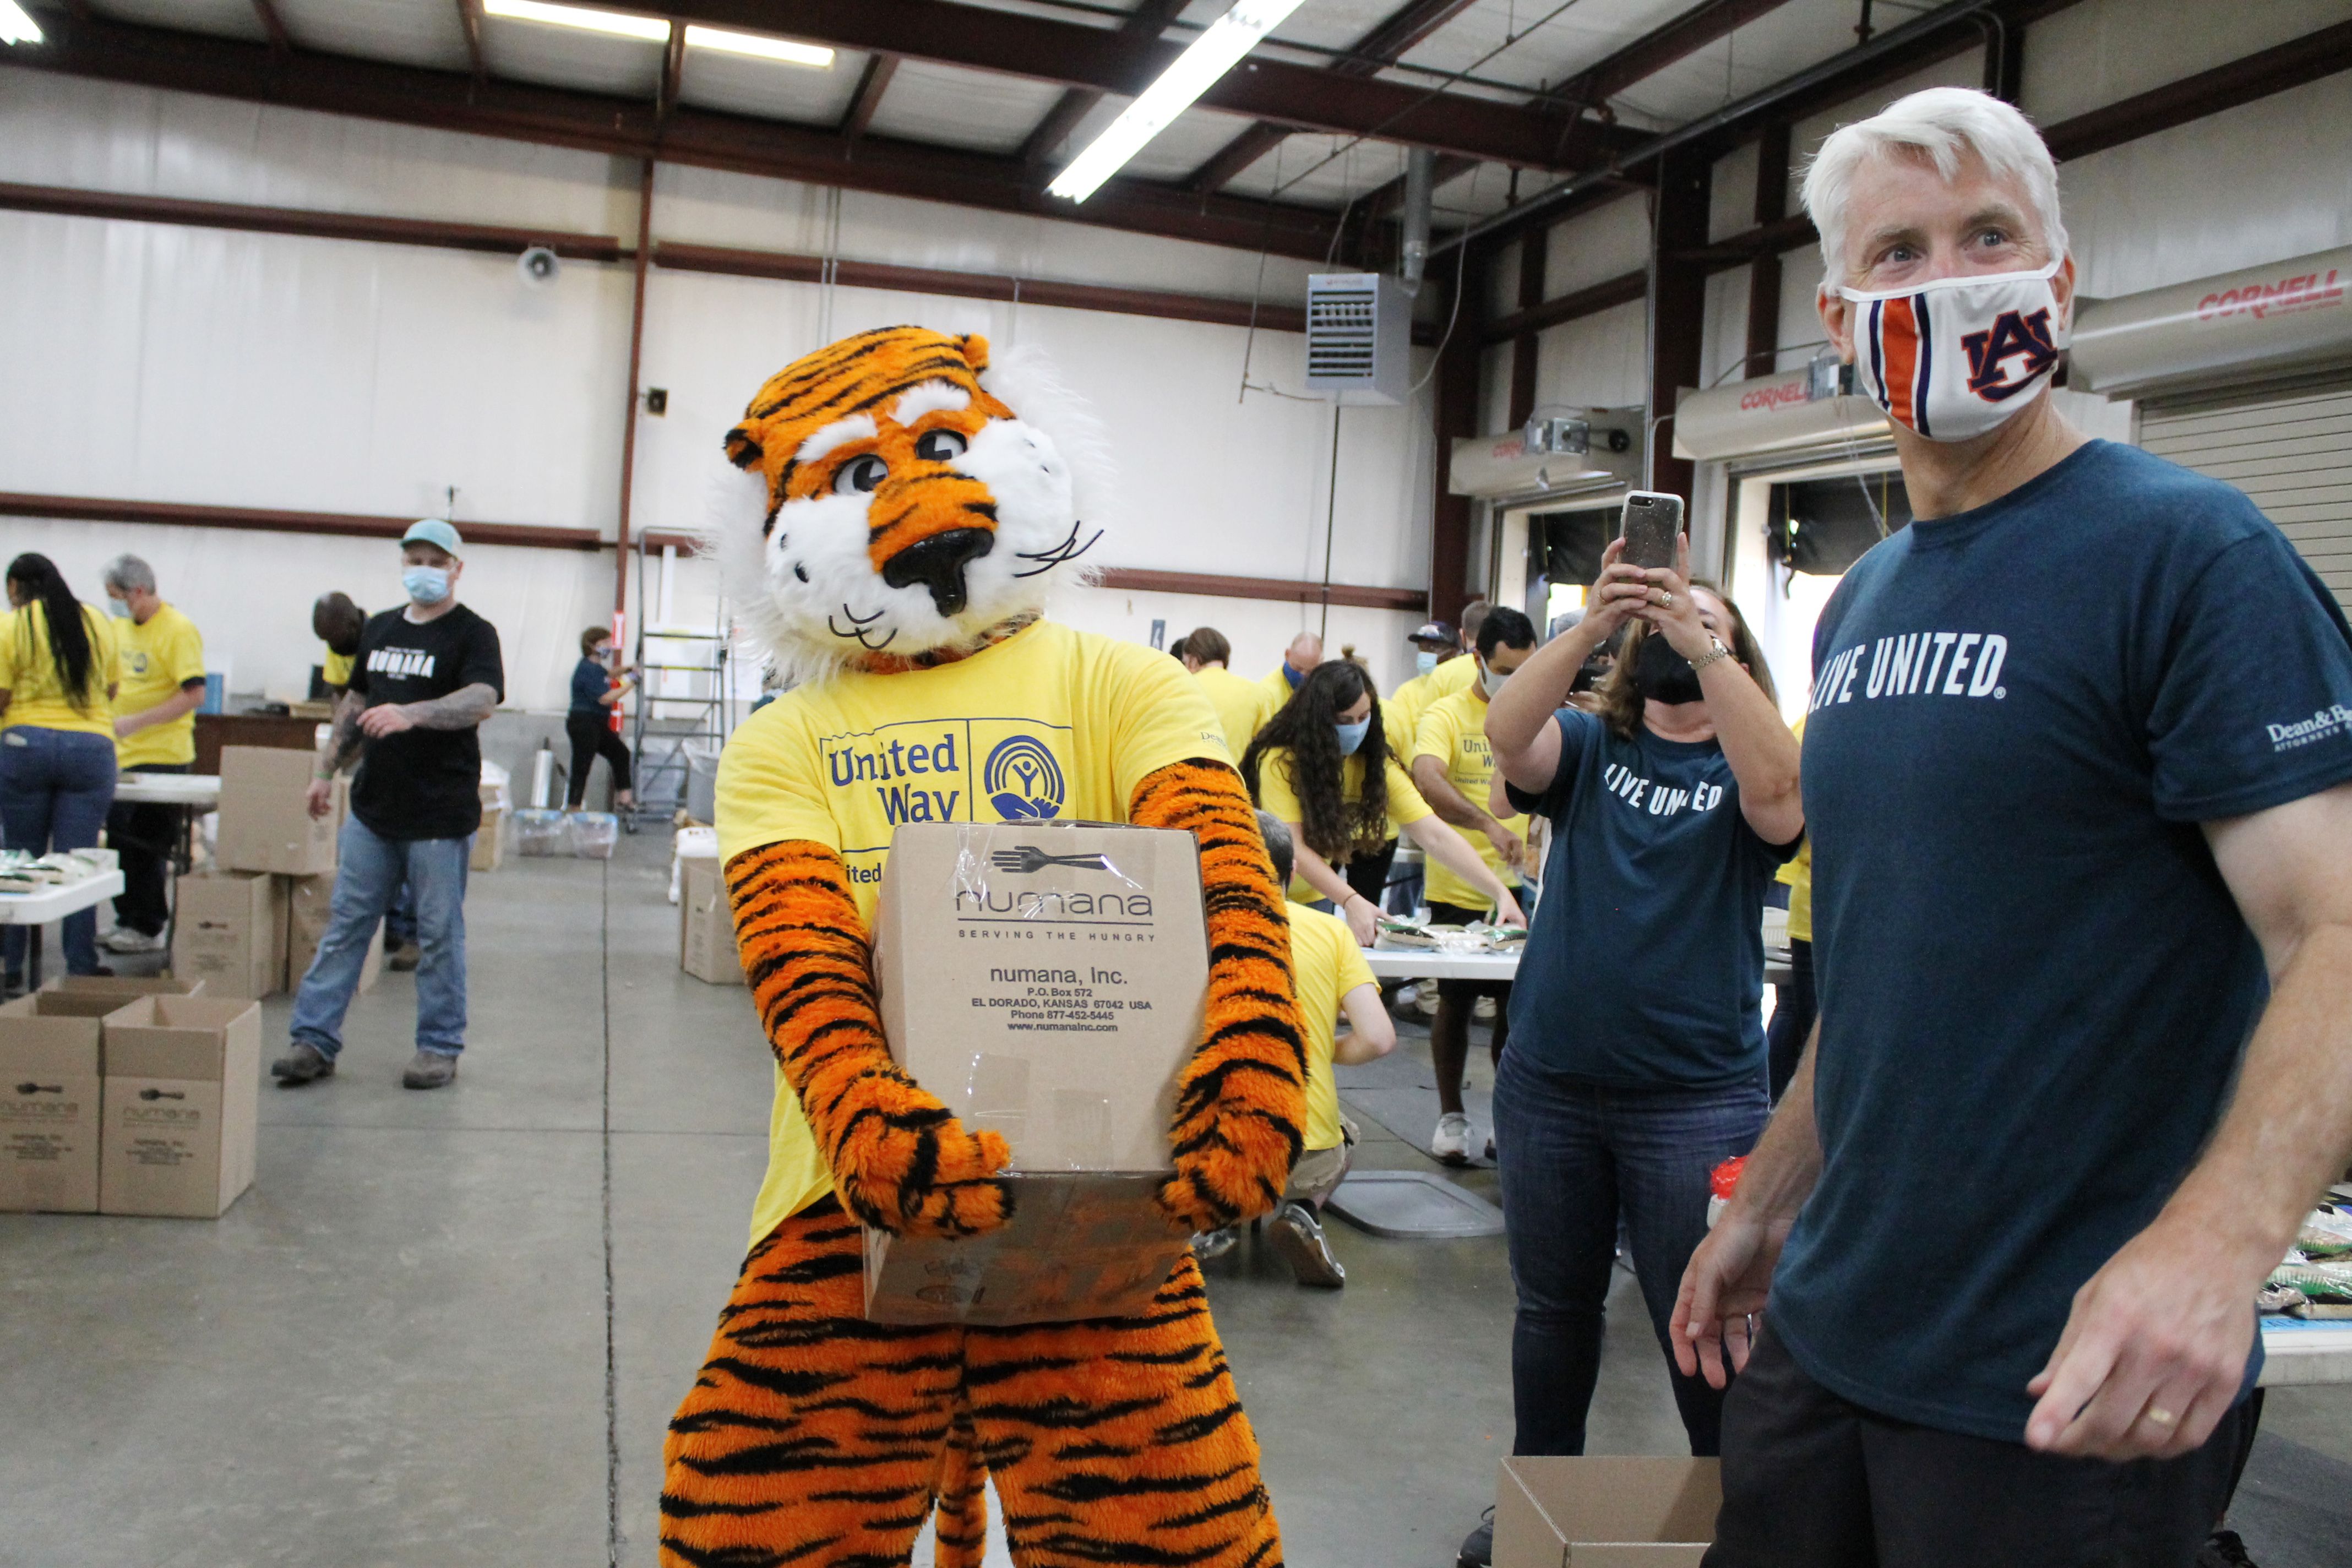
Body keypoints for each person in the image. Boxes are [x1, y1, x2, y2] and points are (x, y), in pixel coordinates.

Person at [1670, 88, 2352, 1567]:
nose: (1950, 278)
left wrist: (2217, 1252)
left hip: (2065, 1389)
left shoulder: (2191, 557)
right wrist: (1767, 1207)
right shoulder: (1865, 602)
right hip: (1833, 1340)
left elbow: (2338, 933)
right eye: (1899, 252)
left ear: (2055, 276)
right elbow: (1879, 974)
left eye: (1989, 236)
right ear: (1842, 312)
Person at [1463, 540, 1801, 1568]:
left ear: (1732, 654)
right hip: (1551, 1086)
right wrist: (1596, 621)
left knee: (1704, 1319)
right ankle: (1534, 1503)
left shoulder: (1748, 766)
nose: (1679, 625)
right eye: (1665, 616)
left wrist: (1703, 646)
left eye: (1706, 619)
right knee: (1551, 1314)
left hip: (1692, 1099)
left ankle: (1735, 1519)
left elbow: (1783, 797)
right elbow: (1504, 731)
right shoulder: (1591, 747)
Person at [272, 520, 503, 1091]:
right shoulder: (379, 628)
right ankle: (313, 1040)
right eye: (414, 558)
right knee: (347, 925)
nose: (423, 568)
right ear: (402, 564)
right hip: (375, 811)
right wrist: (327, 769)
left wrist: (412, 713)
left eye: (435, 559)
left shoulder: (473, 633)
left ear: (456, 568)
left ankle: (438, 1047)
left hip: (438, 814)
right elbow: (357, 700)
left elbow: (483, 697)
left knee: (439, 932)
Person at [1197, 813, 1395, 1287]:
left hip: (1216, 1140)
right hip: (1302, 1145)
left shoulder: (1197, 930)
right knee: (1347, 1134)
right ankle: (1304, 1211)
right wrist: (1320, 1050)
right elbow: (1379, 1037)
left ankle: (1213, 1217)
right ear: (1289, 876)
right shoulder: (1330, 932)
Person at [1242, 660, 1526, 944]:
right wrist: (1351, 900)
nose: (1355, 728)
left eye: (1363, 717)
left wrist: (1499, 892)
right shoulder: (1280, 761)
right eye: (1344, 721)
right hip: (1265, 890)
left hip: (1317, 893)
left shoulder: (1375, 766)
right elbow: (1296, 848)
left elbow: (1434, 834)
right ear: (1319, 719)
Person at [1409, 606, 1539, 1164]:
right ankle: (1451, 1115)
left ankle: (1503, 1121)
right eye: (1506, 669)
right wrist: (1486, 823)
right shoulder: (1447, 713)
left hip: (1525, 893)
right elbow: (1427, 778)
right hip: (1458, 891)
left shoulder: (1540, 714)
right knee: (1455, 1007)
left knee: (1516, 1015)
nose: (1516, 680)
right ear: (1480, 661)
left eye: (1525, 669)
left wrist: (1535, 832)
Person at [0, 554, 121, 989]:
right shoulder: (95, 621)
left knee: (19, 859)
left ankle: (8, 965)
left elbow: (1, 693)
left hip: (25, 746)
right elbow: (111, 688)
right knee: (78, 864)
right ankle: (80, 967)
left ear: (17, 587)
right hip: (90, 749)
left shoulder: (12, 625)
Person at [97, 556, 206, 955]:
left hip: (162, 753)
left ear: (138, 592)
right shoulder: (120, 627)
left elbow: (195, 694)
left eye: (117, 597)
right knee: (119, 840)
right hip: (120, 753)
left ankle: (149, 924)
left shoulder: (178, 630)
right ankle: (127, 918)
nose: (115, 605)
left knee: (148, 844)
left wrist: (137, 721)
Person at [315, 590, 421, 968]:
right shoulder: (338, 642)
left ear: (352, 625)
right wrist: (334, 756)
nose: (334, 647)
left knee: (412, 853)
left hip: (411, 760)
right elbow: (343, 700)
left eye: (337, 639)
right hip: (374, 761)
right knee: (371, 851)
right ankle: (390, 927)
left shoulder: (387, 632)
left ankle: (412, 934)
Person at [1763, 718, 1813, 1105]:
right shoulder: (1808, 728)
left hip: (1801, 891)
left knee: (1791, 1008)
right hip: (1801, 888)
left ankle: (1774, 1100)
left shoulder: (1803, 725)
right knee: (1797, 1010)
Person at [567, 626, 636, 813]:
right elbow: (606, 698)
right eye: (605, 643)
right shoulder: (587, 669)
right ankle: (574, 807)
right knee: (582, 764)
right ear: (592, 645)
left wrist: (628, 669)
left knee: (620, 753)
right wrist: (632, 681)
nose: (609, 646)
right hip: (584, 723)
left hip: (597, 723)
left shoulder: (597, 669)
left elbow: (609, 675)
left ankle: (625, 797)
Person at [1179, 626, 1277, 757]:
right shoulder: (1258, 693)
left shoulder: (1183, 687)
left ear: (1194, 659)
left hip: (1191, 774)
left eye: (1186, 663)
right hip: (1236, 775)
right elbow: (1265, 748)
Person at [313, 592, 365, 695]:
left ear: (353, 626)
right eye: (326, 640)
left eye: (333, 639)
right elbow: (338, 690)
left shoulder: (380, 635)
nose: (332, 645)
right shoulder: (336, 639)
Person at [1257, 630, 1322, 707]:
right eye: (1298, 668)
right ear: (1287, 654)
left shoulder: (1322, 689)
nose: (1302, 675)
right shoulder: (1267, 693)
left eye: (1310, 672)